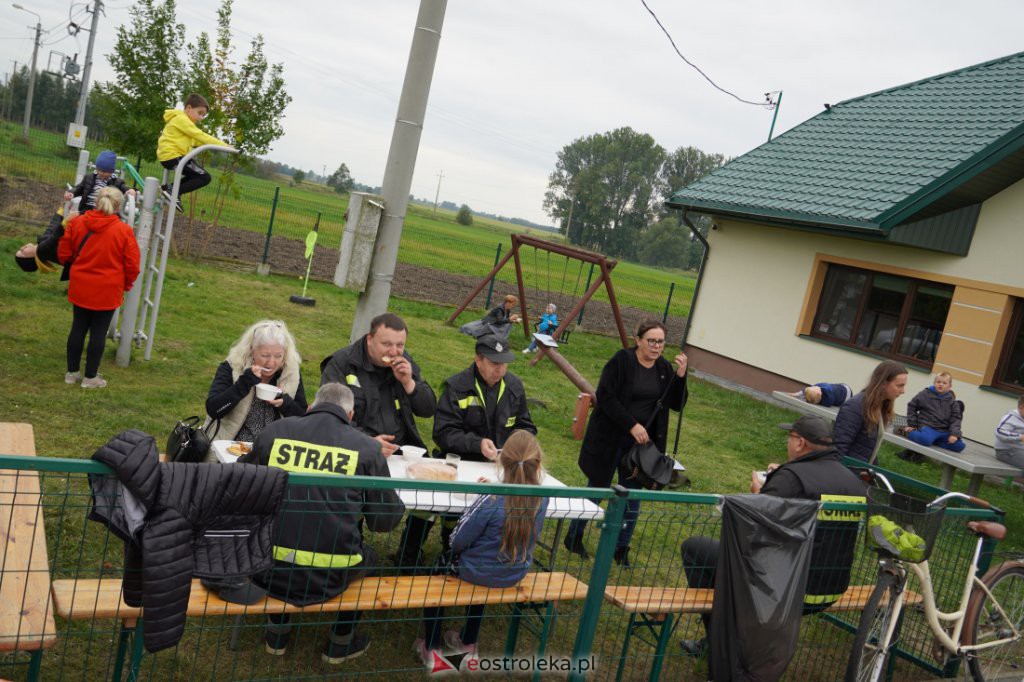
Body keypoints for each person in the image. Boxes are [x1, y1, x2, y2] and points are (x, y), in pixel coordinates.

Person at [239, 383, 405, 663]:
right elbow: (384, 522)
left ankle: (276, 633)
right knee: (372, 560)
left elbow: (243, 485)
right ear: (350, 416)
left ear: (310, 408)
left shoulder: (275, 433)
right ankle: (340, 642)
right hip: (332, 574)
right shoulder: (366, 448)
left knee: (286, 534)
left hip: (267, 566)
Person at [679, 415, 866, 656]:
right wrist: (783, 476)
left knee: (694, 548)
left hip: (783, 590)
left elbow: (754, 531)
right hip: (829, 590)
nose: (788, 443)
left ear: (800, 443)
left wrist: (760, 494)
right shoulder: (852, 482)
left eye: (790, 437)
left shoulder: (792, 478)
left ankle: (721, 643)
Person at [396, 333, 538, 568]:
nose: (500, 369)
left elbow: (526, 427)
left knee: (480, 512)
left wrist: (513, 448)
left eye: (504, 363)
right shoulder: (456, 386)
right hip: (457, 464)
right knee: (427, 506)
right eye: (494, 363)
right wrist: (477, 444)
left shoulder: (514, 387)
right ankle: (408, 553)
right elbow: (442, 433)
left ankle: (453, 549)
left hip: (497, 468)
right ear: (478, 359)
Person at [413, 430, 548, 668]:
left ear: (501, 461)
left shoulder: (491, 498)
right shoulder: (541, 498)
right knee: (486, 571)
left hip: (477, 570)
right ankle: (468, 642)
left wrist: (484, 496)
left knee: (438, 568)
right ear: (537, 464)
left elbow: (456, 540)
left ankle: (432, 647)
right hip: (514, 571)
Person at [563, 319, 688, 567]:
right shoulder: (622, 361)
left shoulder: (664, 369)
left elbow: (676, 404)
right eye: (651, 340)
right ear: (638, 340)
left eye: (660, 341)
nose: (656, 346)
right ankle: (573, 537)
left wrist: (681, 376)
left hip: (641, 447)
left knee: (632, 497)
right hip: (611, 437)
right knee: (597, 488)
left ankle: (620, 549)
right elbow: (606, 398)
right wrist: (631, 424)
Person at [56, 186, 140, 389]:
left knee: (78, 327)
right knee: (98, 333)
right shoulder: (124, 231)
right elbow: (132, 265)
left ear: (95, 201)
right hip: (108, 289)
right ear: (119, 206)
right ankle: (90, 377)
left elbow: (63, 254)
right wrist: (125, 284)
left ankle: (72, 373)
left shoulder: (77, 222)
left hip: (81, 285)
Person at [319, 313, 436, 457]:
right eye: (386, 344)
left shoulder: (404, 362)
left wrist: (409, 383)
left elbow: (428, 410)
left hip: (399, 451)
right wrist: (366, 442)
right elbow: (330, 415)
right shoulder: (342, 364)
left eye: (400, 345)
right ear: (370, 339)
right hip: (355, 450)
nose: (394, 352)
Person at [204, 320, 307, 453]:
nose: (271, 362)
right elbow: (214, 409)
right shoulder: (232, 367)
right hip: (229, 449)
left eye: (278, 356)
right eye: (265, 355)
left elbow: (304, 420)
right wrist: (244, 383)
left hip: (272, 453)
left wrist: (285, 404)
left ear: (285, 354)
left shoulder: (290, 373)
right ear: (252, 351)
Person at [156, 93, 227, 211]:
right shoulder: (181, 119)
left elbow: (196, 141)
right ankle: (173, 191)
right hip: (173, 156)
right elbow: (199, 135)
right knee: (204, 177)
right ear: (188, 108)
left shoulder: (184, 123)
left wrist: (216, 146)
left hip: (172, 156)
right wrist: (223, 145)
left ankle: (172, 190)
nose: (201, 118)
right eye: (200, 113)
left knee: (196, 176)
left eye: (203, 115)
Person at [833, 360, 908, 463]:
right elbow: (838, 450)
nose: (903, 391)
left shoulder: (882, 407)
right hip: (847, 475)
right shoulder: (854, 407)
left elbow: (868, 449)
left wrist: (871, 471)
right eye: (899, 385)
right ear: (883, 383)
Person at [900, 372, 965, 462]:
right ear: (934, 383)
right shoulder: (925, 394)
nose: (941, 384)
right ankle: (907, 432)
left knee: (959, 446)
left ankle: (934, 440)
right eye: (938, 382)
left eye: (944, 383)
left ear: (950, 386)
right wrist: (913, 424)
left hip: (943, 430)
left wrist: (954, 434)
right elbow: (912, 406)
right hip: (928, 426)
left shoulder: (952, 400)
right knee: (925, 440)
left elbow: (956, 418)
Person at [64, 150, 136, 213]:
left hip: (106, 211)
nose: (101, 173)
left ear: (112, 171)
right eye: (99, 170)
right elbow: (79, 188)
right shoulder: (89, 178)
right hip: (87, 209)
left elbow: (124, 188)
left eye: (104, 171)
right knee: (73, 221)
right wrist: (72, 192)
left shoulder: (116, 181)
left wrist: (130, 190)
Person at [994, 395, 1024, 469]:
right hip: (1006, 452)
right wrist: (1020, 437)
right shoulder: (1011, 417)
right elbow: (1000, 432)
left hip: (1019, 450)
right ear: (1022, 407)